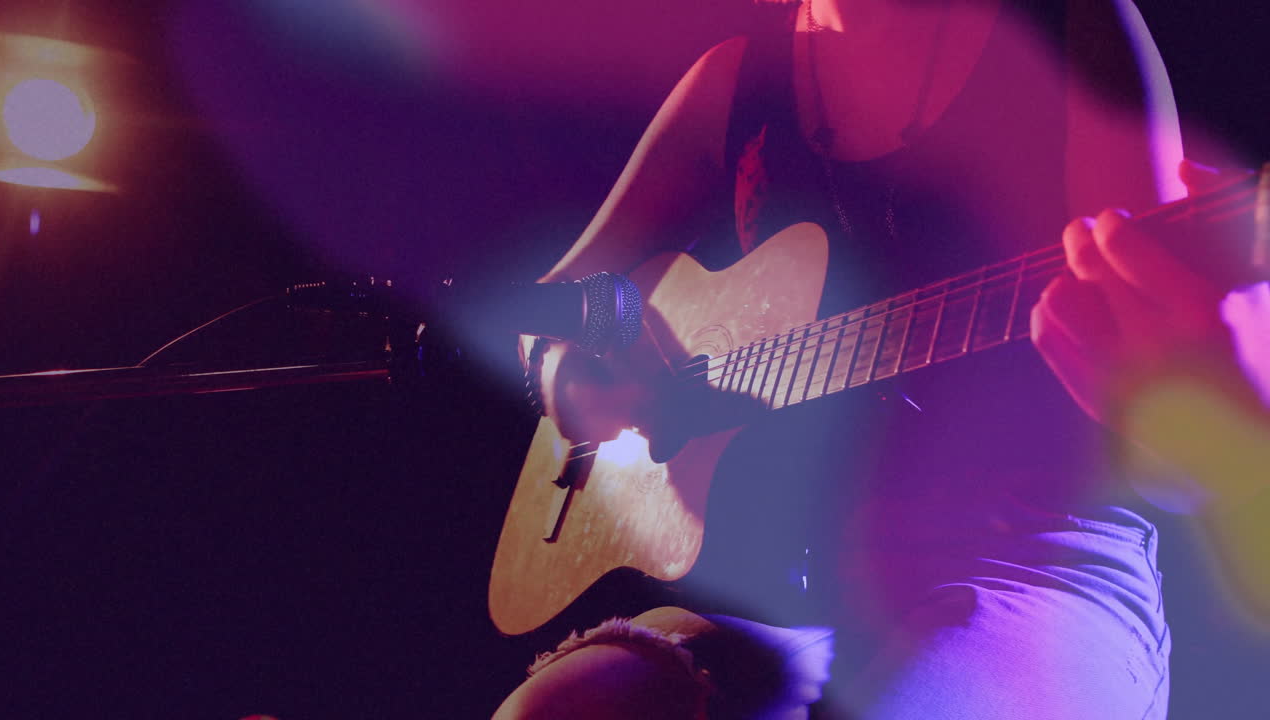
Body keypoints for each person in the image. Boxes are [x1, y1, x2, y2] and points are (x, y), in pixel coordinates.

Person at [493, 0, 1269, 717]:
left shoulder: (1072, 25)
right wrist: (572, 371)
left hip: (1038, 570)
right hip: (804, 585)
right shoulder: (735, 69)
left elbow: (1180, 453)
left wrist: (1172, 399)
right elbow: (555, 303)